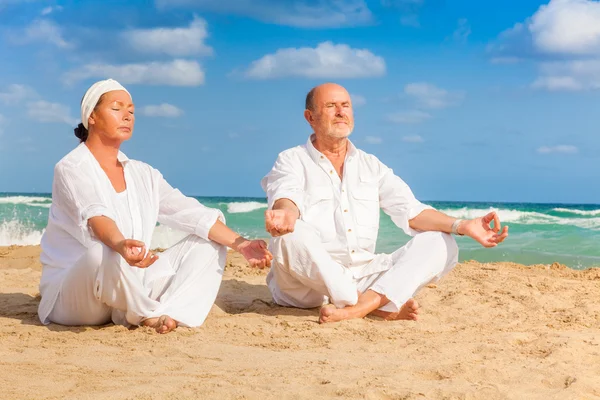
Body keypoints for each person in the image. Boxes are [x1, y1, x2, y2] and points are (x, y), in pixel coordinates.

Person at [261, 82, 508, 324]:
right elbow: (286, 194)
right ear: (310, 117)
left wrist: (463, 225)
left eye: (345, 105)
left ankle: (362, 306)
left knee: (442, 241)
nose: (340, 112)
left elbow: (411, 212)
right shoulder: (292, 159)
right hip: (307, 288)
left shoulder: (370, 165)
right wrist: (286, 213)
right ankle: (373, 305)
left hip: (364, 274)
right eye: (331, 106)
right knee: (291, 235)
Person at [39, 79, 272, 334]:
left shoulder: (143, 173)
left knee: (209, 240)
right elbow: (97, 217)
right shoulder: (72, 167)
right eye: (117, 108)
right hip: (77, 299)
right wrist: (120, 244)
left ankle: (172, 311)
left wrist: (243, 245)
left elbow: (189, 213)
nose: (127, 115)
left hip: (130, 286)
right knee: (101, 250)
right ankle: (147, 314)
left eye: (131, 110)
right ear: (91, 117)